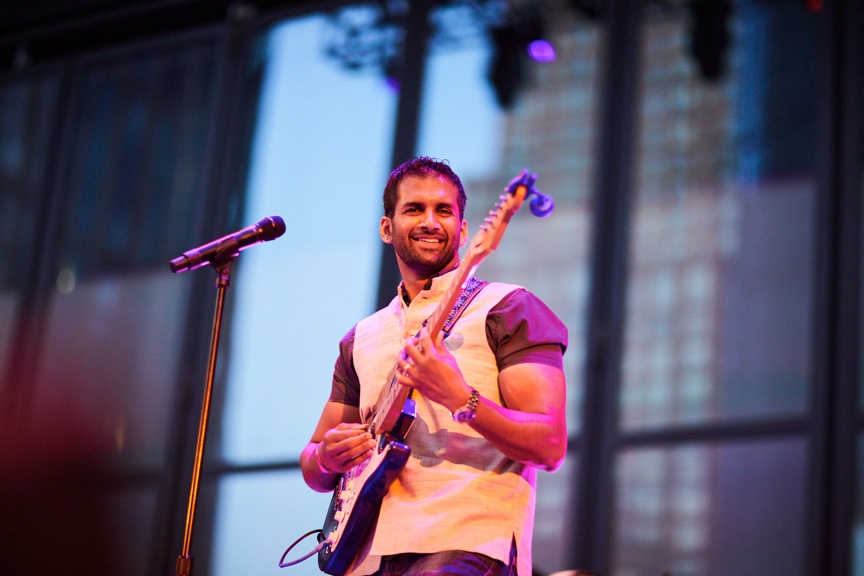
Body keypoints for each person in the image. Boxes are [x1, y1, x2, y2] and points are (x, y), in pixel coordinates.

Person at [300, 157, 568, 576]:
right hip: (364, 555)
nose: (430, 221)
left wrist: (460, 397)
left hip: (468, 543)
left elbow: (549, 444)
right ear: (387, 228)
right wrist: (329, 459)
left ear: (464, 231)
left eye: (443, 211)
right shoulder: (362, 337)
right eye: (414, 209)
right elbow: (313, 460)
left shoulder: (509, 306)